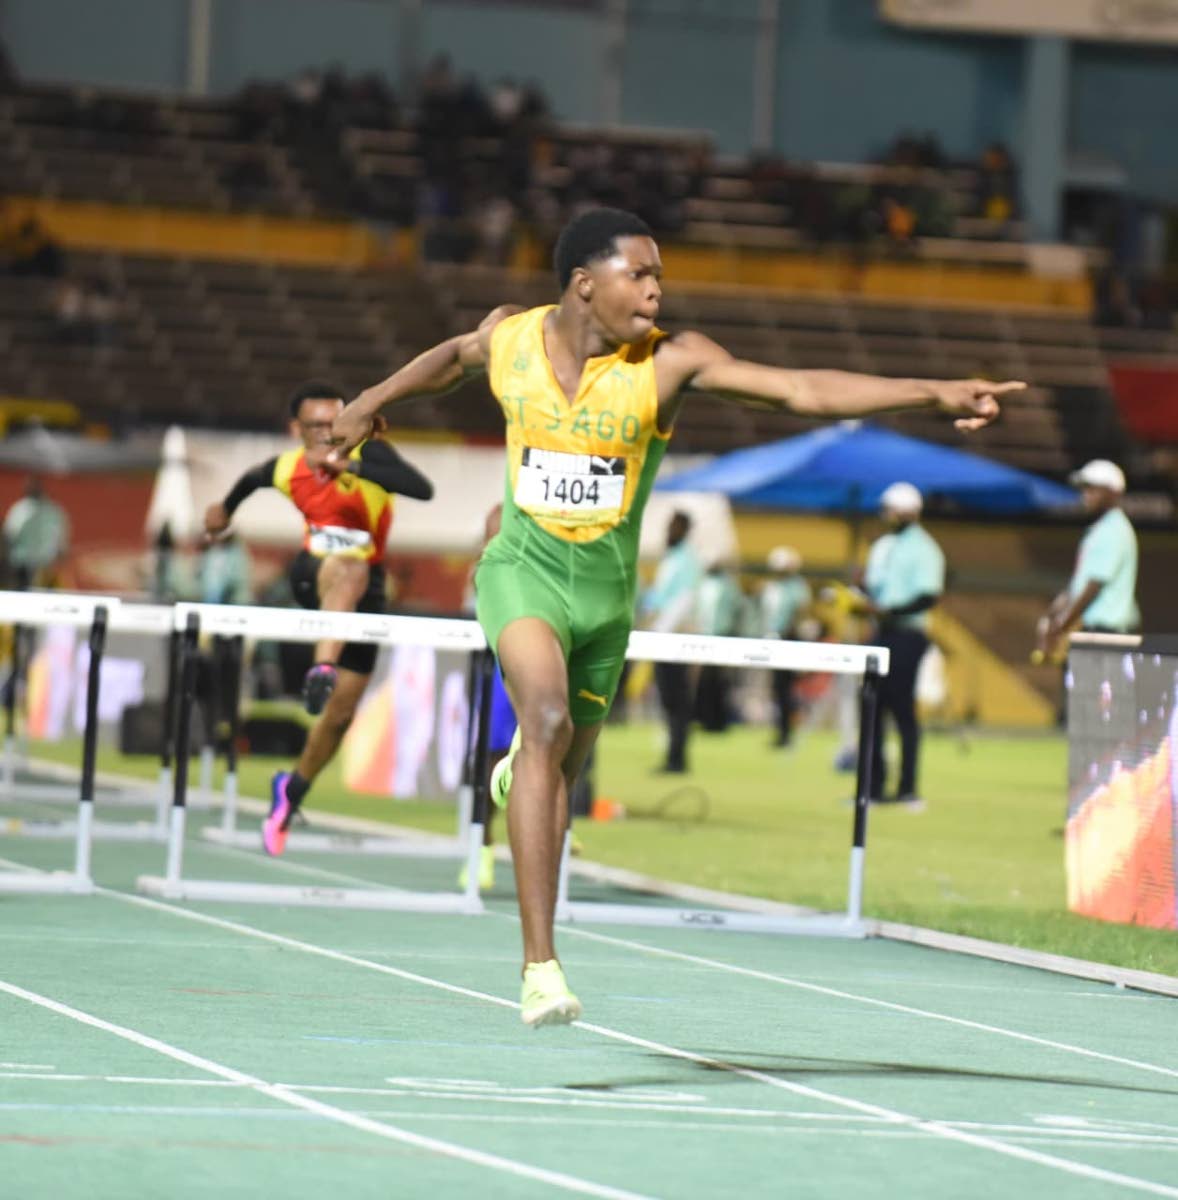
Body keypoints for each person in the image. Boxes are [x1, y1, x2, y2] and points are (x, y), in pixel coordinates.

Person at [328, 206, 1020, 1026]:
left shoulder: (670, 364)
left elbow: (801, 391)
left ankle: (526, 770)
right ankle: (540, 967)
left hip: (607, 599)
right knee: (542, 717)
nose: (657, 292)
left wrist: (934, 392)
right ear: (586, 285)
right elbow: (452, 357)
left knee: (560, 765)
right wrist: (371, 398)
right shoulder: (512, 340)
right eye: (640, 275)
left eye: (661, 277)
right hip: (523, 572)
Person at [203, 379, 433, 855]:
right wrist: (221, 513)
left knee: (340, 715)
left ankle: (292, 792)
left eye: (334, 425)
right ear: (296, 428)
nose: (326, 434)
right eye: (315, 427)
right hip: (313, 575)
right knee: (344, 571)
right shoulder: (285, 468)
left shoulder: (374, 456)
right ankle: (322, 667)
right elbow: (246, 485)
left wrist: (357, 463)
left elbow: (422, 489)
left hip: (368, 590)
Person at [861, 482, 945, 808]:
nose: (887, 515)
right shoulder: (883, 546)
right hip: (880, 633)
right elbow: (874, 589)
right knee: (872, 708)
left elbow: (927, 596)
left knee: (901, 710)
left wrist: (889, 611)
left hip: (906, 635)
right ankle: (874, 788)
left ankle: (907, 788)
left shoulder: (925, 548)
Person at [1036, 459, 1138, 661]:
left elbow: (1093, 585)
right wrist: (1052, 616)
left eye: (1093, 489)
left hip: (1107, 637)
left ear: (1114, 492)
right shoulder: (1102, 529)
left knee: (1099, 692)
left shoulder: (1113, 530)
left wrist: (1059, 628)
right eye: (1085, 489)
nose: (1086, 495)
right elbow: (1078, 585)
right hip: (1096, 634)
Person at [640, 510, 701, 773]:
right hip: (662, 635)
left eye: (673, 526)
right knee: (669, 700)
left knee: (677, 700)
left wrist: (660, 630)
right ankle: (673, 756)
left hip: (673, 638)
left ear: (684, 529)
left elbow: (683, 601)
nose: (668, 531)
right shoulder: (673, 558)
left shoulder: (686, 560)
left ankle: (677, 759)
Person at [760, 545, 811, 748]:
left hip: (790, 640)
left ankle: (787, 733)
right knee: (778, 690)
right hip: (774, 640)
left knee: (787, 690)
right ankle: (781, 731)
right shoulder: (773, 587)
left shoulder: (797, 587)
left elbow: (800, 614)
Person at [3, 476, 70, 589]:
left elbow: (9, 535)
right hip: (24, 565)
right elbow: (9, 535)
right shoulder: (21, 509)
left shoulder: (50, 511)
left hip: (44, 565)